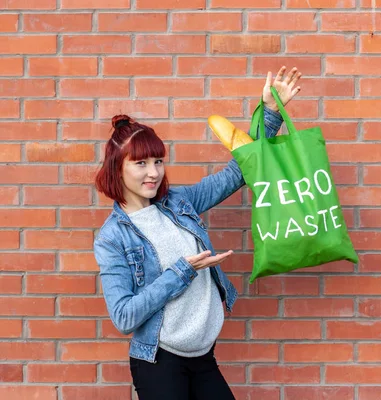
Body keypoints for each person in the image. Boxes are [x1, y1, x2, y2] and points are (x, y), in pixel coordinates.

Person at [93, 66, 302, 400]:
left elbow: (240, 171)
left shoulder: (178, 202)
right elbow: (124, 316)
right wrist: (182, 270)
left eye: (158, 161)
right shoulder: (112, 237)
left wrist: (271, 112)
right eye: (141, 164)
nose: (154, 173)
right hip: (159, 363)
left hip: (203, 357)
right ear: (118, 168)